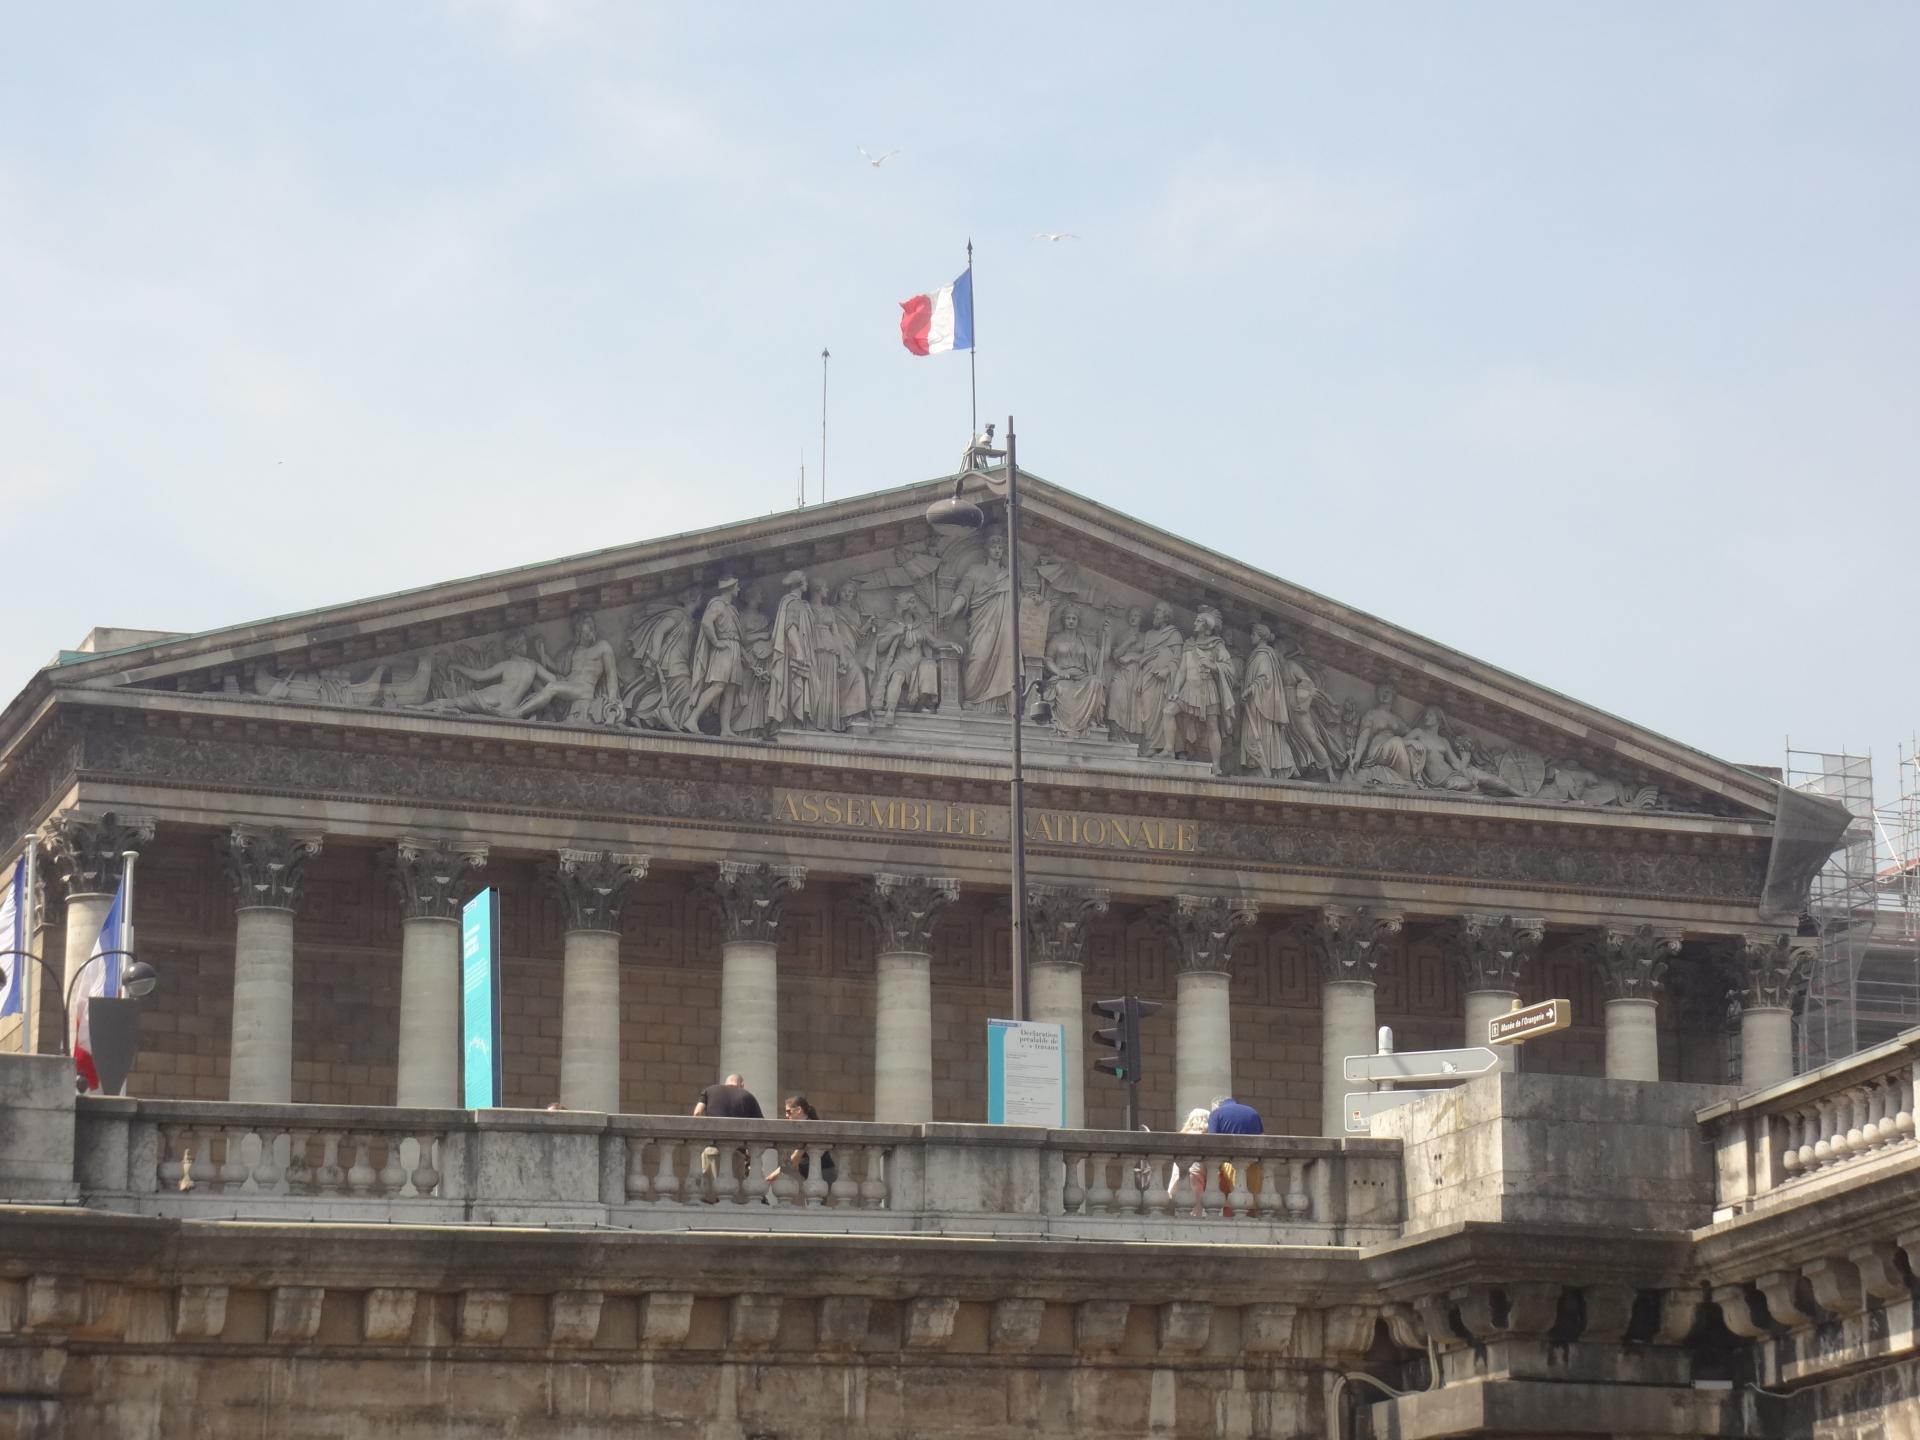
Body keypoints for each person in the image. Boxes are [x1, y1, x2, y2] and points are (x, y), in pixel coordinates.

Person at [764, 1094, 837, 1197]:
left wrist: (772, 1176)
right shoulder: (806, 1126)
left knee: (814, 1206)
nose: (786, 1115)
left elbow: (795, 1158)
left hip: (822, 1175)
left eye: (788, 1111)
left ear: (798, 1110)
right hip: (817, 1175)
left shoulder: (809, 1127)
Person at [1207, 1092, 1264, 1215]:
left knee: (1229, 1202)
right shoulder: (1252, 1112)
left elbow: (1212, 1142)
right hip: (1254, 1166)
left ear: (1216, 1105)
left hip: (1229, 1165)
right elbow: (1261, 1138)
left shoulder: (1217, 1113)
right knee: (1251, 1201)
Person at [1167, 1106, 1211, 1216]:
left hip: (1181, 1176)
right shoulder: (1205, 1137)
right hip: (1196, 1177)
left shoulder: (1183, 1135)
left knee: (1181, 1211)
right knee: (1195, 1212)